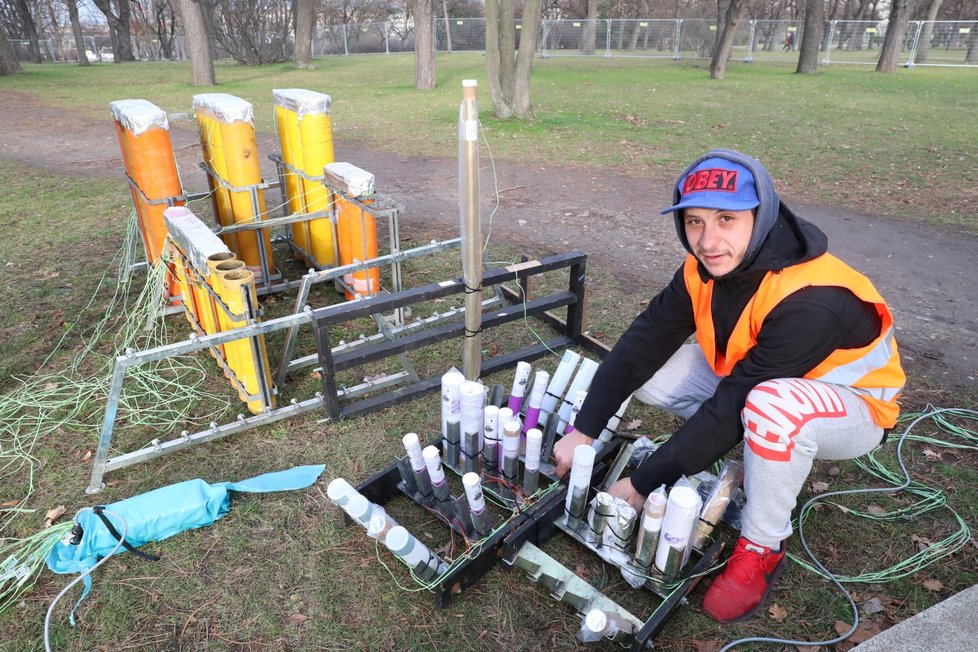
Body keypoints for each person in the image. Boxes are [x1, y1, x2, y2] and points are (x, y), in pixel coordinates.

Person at [553, 149, 904, 624]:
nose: (708, 240)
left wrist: (642, 484)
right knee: (658, 368)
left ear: (762, 218)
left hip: (855, 409)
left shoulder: (814, 298)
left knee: (768, 408)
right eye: (694, 221)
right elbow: (645, 339)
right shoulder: (703, 266)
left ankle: (763, 544)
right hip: (760, 380)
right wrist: (585, 430)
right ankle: (759, 448)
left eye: (726, 219)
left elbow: (734, 402)